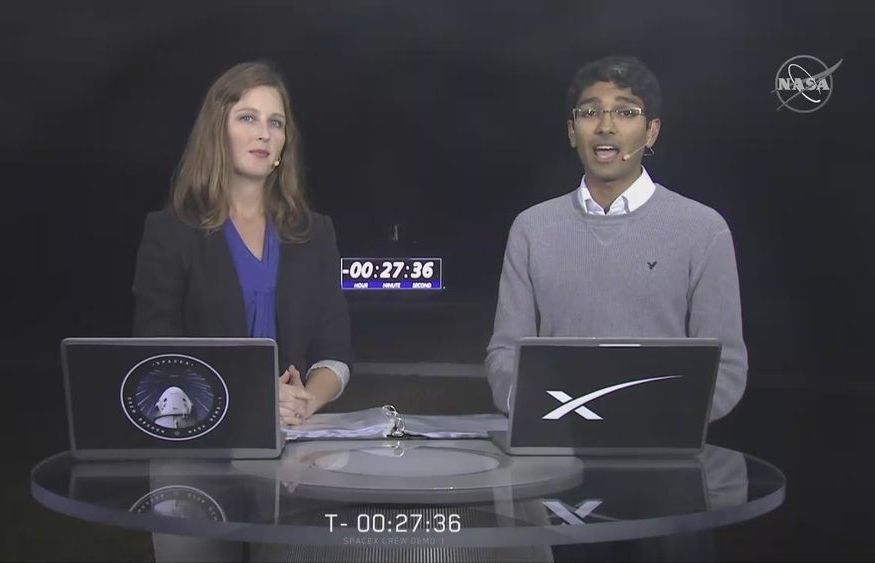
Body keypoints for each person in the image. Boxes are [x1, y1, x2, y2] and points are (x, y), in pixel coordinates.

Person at [486, 56, 747, 421]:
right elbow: (505, 354)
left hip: (662, 445)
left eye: (625, 113)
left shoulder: (703, 229)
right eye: (590, 112)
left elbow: (726, 367)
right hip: (554, 442)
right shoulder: (532, 228)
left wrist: (644, 416)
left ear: (651, 132)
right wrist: (545, 410)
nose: (606, 126)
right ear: (572, 131)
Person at [133, 61, 352, 426]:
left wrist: (306, 400)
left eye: (275, 123)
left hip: (292, 434)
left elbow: (336, 351)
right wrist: (252, 396)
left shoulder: (315, 233)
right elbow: (158, 356)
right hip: (202, 435)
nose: (264, 134)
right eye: (248, 118)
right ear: (217, 132)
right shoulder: (170, 232)